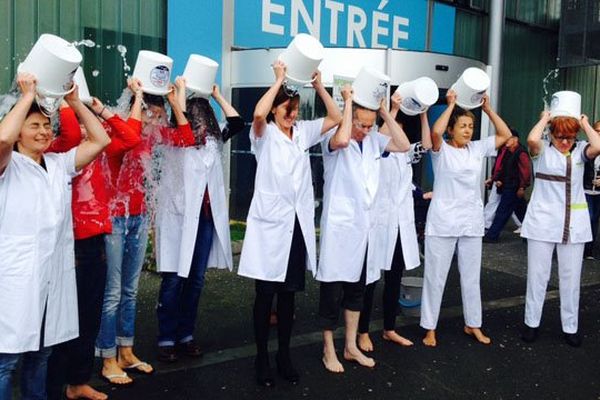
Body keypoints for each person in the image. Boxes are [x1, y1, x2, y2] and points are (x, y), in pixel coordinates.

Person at [0, 73, 110, 399]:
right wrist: (27, 96)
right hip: (16, 277)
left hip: (52, 277)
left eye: (47, 126)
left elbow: (101, 140)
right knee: (6, 360)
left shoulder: (59, 163)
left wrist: (75, 102)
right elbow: (3, 140)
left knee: (41, 355)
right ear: (19, 130)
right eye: (34, 126)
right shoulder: (8, 165)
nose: (44, 132)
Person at [238, 60, 342, 386]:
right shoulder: (264, 134)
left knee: (289, 297)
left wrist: (320, 87)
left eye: (295, 109)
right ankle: (261, 359)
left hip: (295, 226)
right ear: (275, 110)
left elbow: (337, 118)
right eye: (286, 108)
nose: (292, 114)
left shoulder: (302, 133)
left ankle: (284, 354)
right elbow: (257, 114)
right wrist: (279, 80)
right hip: (269, 227)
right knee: (265, 295)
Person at [95, 79, 194, 385]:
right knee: (112, 292)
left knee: (130, 290)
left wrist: (175, 100)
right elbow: (130, 136)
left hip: (138, 216)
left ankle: (127, 350)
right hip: (115, 217)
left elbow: (187, 137)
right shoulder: (119, 127)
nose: (158, 119)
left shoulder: (155, 133)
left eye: (160, 114)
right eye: (154, 113)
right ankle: (107, 357)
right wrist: (138, 95)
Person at [45, 96, 142, 400]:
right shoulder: (59, 150)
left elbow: (130, 137)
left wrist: (99, 110)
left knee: (89, 318)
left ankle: (77, 382)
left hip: (96, 241)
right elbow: (73, 135)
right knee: (62, 322)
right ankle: (52, 387)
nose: (90, 127)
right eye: (84, 120)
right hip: (67, 244)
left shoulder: (102, 153)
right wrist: (69, 101)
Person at [317, 85, 410, 373]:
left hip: (364, 229)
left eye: (371, 126)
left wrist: (384, 111)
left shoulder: (372, 141)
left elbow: (404, 145)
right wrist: (347, 105)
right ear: (351, 118)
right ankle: (328, 348)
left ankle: (350, 346)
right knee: (332, 291)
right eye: (362, 124)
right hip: (339, 227)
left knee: (358, 289)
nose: (366, 131)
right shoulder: (333, 139)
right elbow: (343, 138)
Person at [155, 78, 245, 363]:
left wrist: (217, 95)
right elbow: (179, 122)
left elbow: (237, 122)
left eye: (206, 119)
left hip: (205, 220)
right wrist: (180, 93)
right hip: (178, 219)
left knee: (195, 280)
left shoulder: (212, 145)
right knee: (173, 278)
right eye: (198, 119)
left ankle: (186, 335)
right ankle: (166, 337)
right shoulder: (175, 141)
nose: (205, 126)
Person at [420, 90, 511, 347]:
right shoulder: (441, 150)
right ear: (452, 128)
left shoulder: (477, 148)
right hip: (442, 222)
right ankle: (430, 328)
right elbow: (436, 133)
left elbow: (504, 135)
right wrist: (451, 105)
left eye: (471, 126)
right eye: (463, 126)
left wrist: (489, 110)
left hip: (471, 220)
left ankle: (473, 324)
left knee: (471, 277)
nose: (468, 130)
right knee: (435, 277)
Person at [357, 92, 432, 352]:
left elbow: (427, 144)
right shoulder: (377, 151)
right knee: (369, 280)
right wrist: (392, 109)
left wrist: (423, 112)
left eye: (399, 131)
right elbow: (383, 133)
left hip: (401, 225)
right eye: (391, 130)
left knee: (394, 277)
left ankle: (389, 329)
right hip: (379, 223)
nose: (396, 135)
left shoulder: (405, 154)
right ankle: (363, 330)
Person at [520, 112, 600, 347]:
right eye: (560, 136)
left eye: (570, 137)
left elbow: (598, 145)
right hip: (542, 223)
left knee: (571, 277)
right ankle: (531, 323)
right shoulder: (541, 150)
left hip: (573, 225)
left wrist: (584, 122)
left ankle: (570, 327)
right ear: (551, 134)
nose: (565, 142)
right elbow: (532, 139)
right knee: (537, 276)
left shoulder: (581, 151)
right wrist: (545, 119)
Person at [483, 129, 531, 243]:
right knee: (521, 212)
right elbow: (503, 169)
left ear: (515, 139)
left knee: (503, 211)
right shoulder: (509, 152)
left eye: (508, 138)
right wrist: (495, 179)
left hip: (514, 187)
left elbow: (525, 171)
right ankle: (529, 235)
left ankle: (492, 235)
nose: (505, 141)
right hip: (509, 185)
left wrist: (522, 187)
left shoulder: (521, 153)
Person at [583, 120, 600, 259]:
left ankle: (589, 251)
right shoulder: (585, 148)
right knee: (588, 217)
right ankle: (584, 249)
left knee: (594, 220)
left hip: (599, 193)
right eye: (597, 130)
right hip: (586, 190)